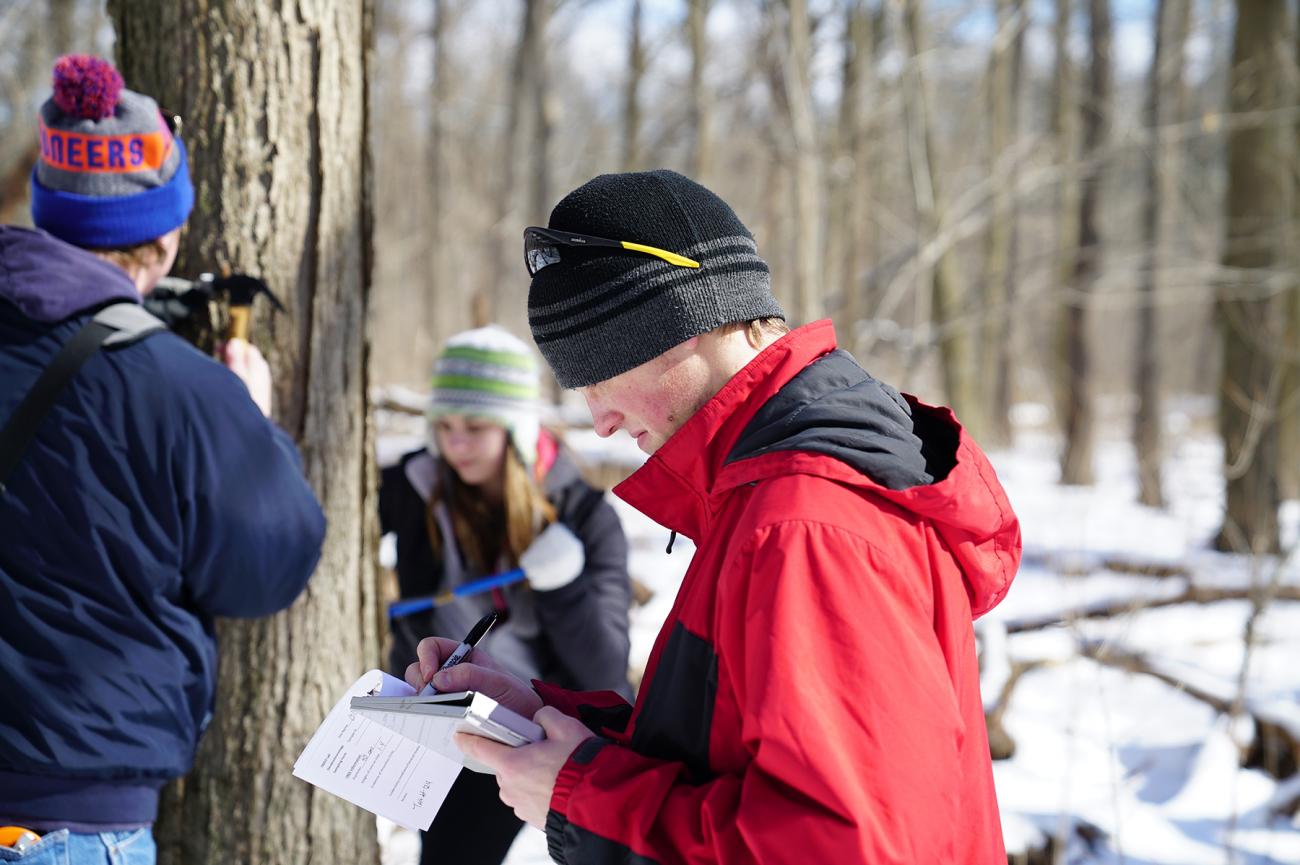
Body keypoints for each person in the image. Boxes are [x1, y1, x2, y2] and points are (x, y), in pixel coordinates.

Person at [406, 169, 1022, 864]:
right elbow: (730, 752)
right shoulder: (762, 496)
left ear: (676, 330)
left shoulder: (807, 524)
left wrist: (582, 791)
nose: (600, 421)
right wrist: (538, 717)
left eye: (597, 377)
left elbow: (845, 845)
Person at [0, 56, 325, 864]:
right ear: (168, 228)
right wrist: (248, 423)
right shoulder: (183, 392)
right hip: (68, 817)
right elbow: (269, 569)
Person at [380, 324, 632, 865]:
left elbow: (603, 669)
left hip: (542, 724)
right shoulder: (416, 486)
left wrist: (563, 587)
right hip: (445, 713)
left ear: (516, 429)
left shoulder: (584, 516)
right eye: (443, 425)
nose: (456, 443)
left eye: (476, 425)